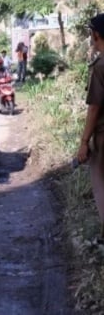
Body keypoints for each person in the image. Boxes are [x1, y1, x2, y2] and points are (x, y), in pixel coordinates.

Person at [76, 13, 104, 240]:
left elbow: (94, 107)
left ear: (96, 35)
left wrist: (84, 142)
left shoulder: (100, 66)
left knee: (100, 183)